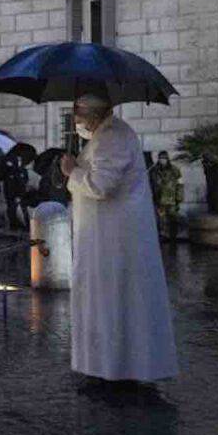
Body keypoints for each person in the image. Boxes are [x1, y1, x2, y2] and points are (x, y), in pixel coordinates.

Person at [60, 94, 178, 384]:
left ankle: (116, 370)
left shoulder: (112, 136)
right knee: (111, 302)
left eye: (78, 114)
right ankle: (109, 367)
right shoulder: (106, 134)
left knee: (115, 302)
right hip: (107, 237)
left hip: (114, 241)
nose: (76, 121)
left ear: (93, 113)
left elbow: (101, 186)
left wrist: (71, 171)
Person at [150, 151, 183, 241]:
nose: (162, 160)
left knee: (173, 218)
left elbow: (180, 184)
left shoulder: (174, 170)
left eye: (164, 158)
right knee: (161, 219)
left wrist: (179, 197)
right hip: (159, 199)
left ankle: (173, 236)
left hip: (172, 199)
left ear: (167, 159)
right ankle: (163, 236)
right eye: (161, 158)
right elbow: (151, 184)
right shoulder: (154, 170)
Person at [0, 153, 29, 230]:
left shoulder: (22, 171)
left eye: (20, 160)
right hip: (10, 195)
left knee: (21, 212)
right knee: (11, 213)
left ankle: (24, 228)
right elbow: (6, 182)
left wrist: (19, 195)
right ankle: (14, 228)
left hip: (17, 195)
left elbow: (23, 184)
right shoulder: (10, 171)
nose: (19, 162)